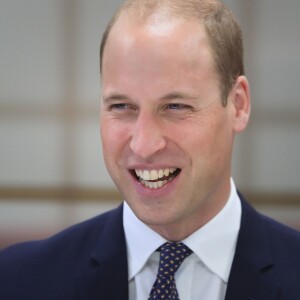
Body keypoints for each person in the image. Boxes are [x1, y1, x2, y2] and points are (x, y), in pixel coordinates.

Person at [1, 0, 300, 299]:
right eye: (122, 106)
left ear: (238, 105)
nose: (143, 145)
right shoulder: (18, 281)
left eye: (175, 106)